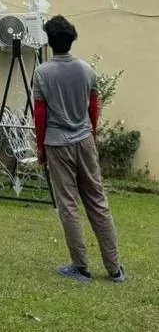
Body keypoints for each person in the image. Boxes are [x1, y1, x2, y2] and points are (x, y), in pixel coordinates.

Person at [33, 15, 125, 284]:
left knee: (69, 206)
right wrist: (90, 136)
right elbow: (93, 109)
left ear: (49, 41)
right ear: (72, 39)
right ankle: (115, 269)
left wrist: (41, 149)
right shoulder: (87, 69)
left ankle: (81, 267)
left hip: (57, 144)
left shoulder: (42, 72)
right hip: (85, 140)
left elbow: (40, 114)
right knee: (98, 203)